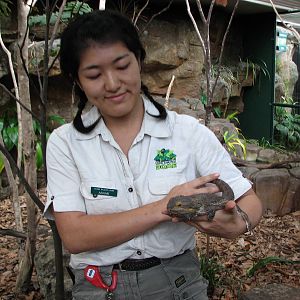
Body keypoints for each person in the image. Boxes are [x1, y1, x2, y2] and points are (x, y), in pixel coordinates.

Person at [44, 9, 262, 300]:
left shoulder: (186, 133)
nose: (112, 83)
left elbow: (250, 200)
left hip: (179, 282)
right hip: (99, 288)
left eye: (122, 66)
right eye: (94, 74)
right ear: (76, 80)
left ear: (139, 60)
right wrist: (166, 207)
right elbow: (74, 236)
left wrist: (239, 223)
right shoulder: (65, 143)